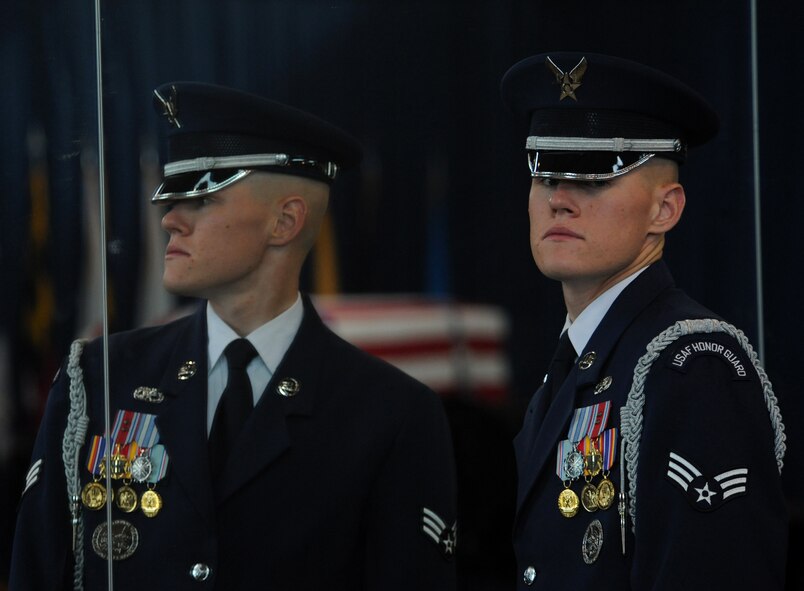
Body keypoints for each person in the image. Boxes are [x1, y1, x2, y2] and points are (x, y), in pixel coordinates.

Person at [10, 82, 457, 590]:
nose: (170, 219)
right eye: (172, 197)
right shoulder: (100, 377)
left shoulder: (390, 413)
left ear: (285, 221)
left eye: (201, 196)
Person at [500, 52, 787, 589]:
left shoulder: (692, 368)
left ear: (665, 210)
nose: (560, 200)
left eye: (593, 180)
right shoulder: (586, 355)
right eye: (545, 176)